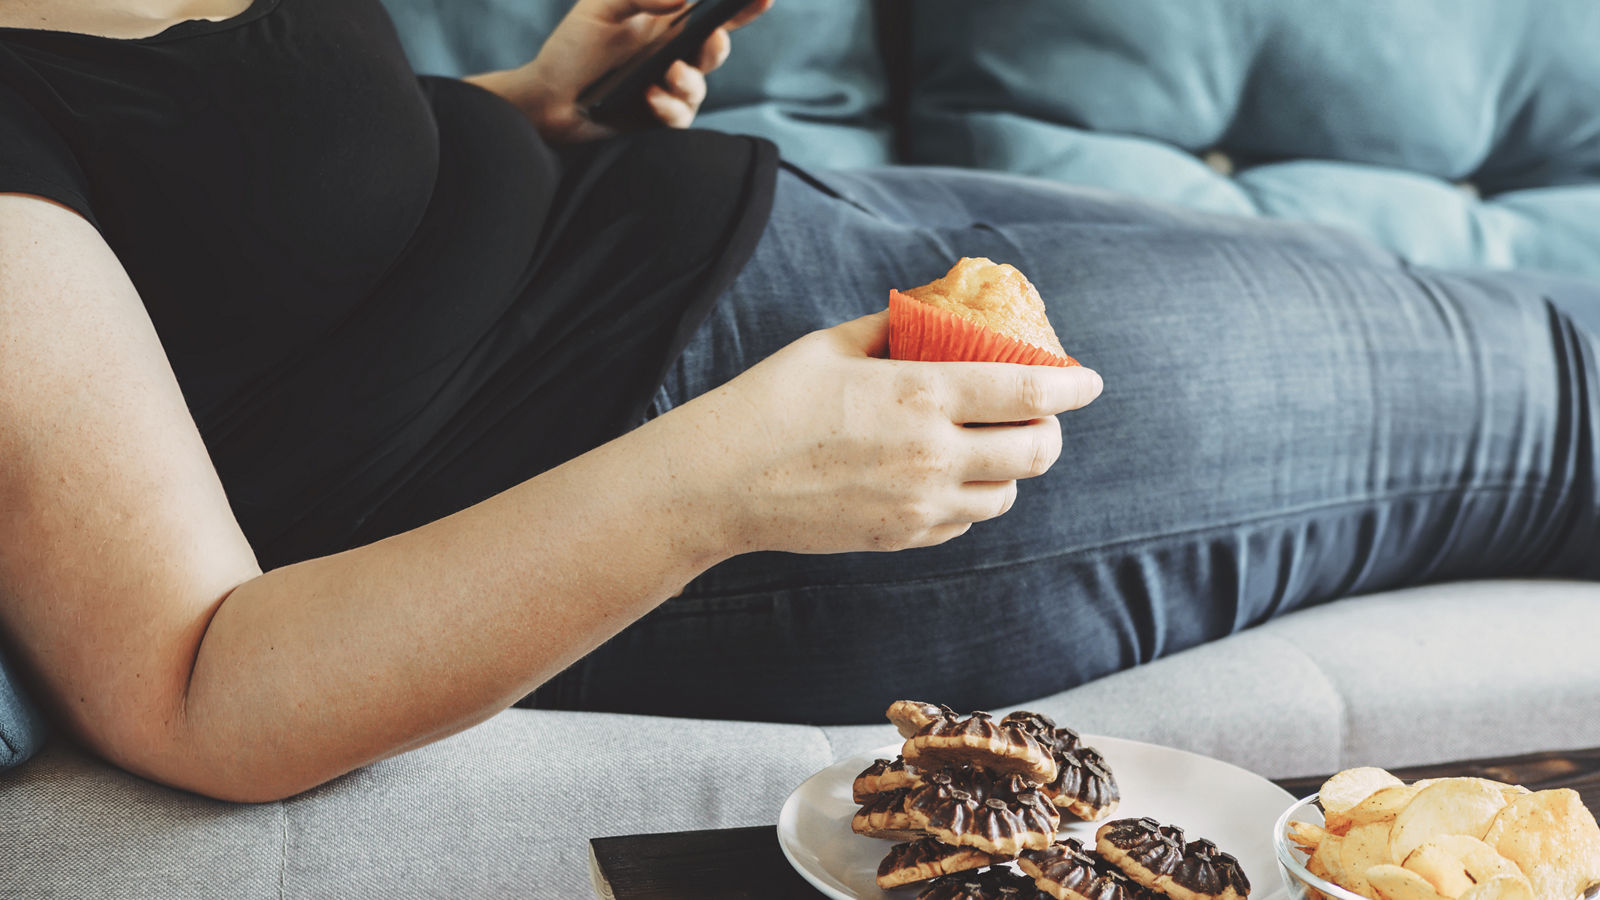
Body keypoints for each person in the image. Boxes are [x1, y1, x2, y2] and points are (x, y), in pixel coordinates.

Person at [0, 0, 1594, 804]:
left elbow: (233, 254)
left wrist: (526, 109)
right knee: (1563, 409)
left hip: (748, 224)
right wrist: (726, 484)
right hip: (691, 429)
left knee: (1438, 300)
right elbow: (196, 688)